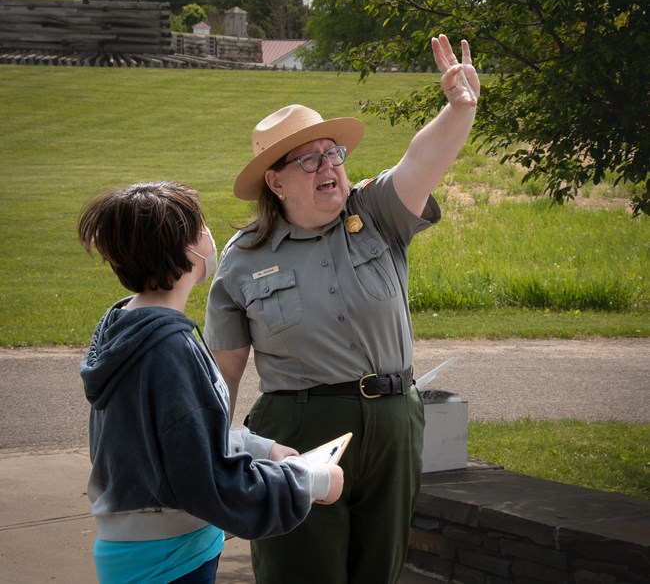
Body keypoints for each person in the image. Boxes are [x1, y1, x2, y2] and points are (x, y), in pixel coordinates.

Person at [204, 35, 479, 584]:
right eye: (310, 158)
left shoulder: (377, 211)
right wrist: (213, 462)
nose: (328, 164)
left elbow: (419, 162)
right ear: (276, 181)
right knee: (301, 571)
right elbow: (222, 375)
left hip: (394, 419)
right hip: (299, 429)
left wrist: (458, 109)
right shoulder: (242, 259)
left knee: (379, 571)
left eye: (334, 152)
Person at [77, 181, 343, 584]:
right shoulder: (168, 348)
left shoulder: (125, 328)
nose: (209, 237)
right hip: (168, 557)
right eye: (201, 228)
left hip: (145, 546)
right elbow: (206, 478)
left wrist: (262, 447)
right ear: (188, 249)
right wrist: (310, 481)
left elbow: (174, 438)